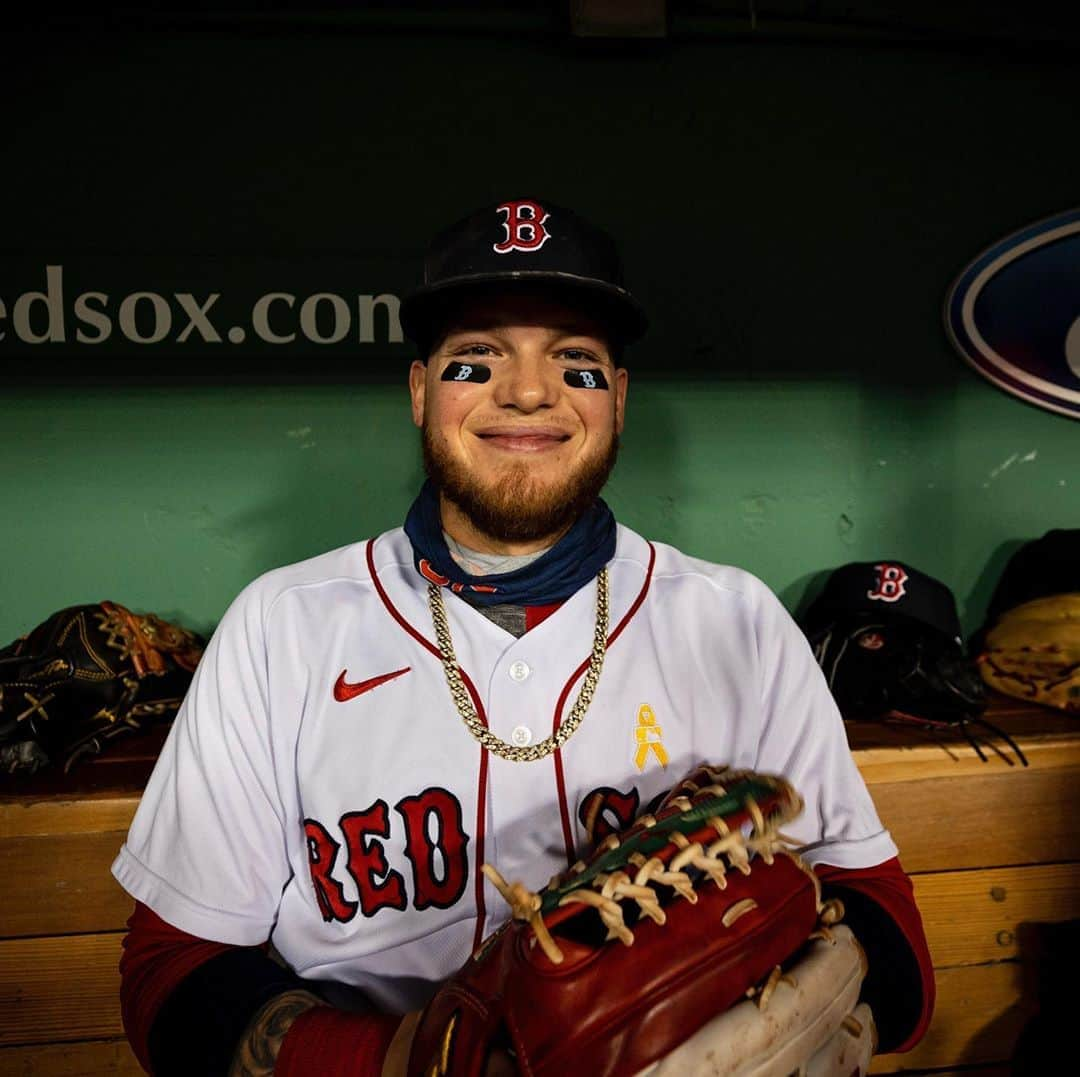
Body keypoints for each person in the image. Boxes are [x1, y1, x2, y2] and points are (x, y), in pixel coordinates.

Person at [111, 198, 935, 1076]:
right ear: (421, 391)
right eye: (477, 358)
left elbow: (883, 917)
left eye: (574, 362)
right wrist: (407, 1060)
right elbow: (171, 970)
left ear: (617, 401)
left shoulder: (737, 622)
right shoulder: (281, 626)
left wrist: (844, 993)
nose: (530, 391)